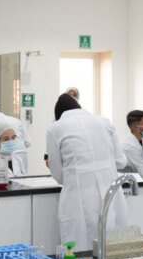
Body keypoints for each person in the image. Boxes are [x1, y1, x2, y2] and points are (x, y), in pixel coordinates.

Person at [46, 93, 128, 250]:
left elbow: (58, 174)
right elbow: (121, 161)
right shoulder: (104, 122)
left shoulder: (55, 128)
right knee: (112, 247)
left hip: (77, 196)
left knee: (80, 250)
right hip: (110, 193)